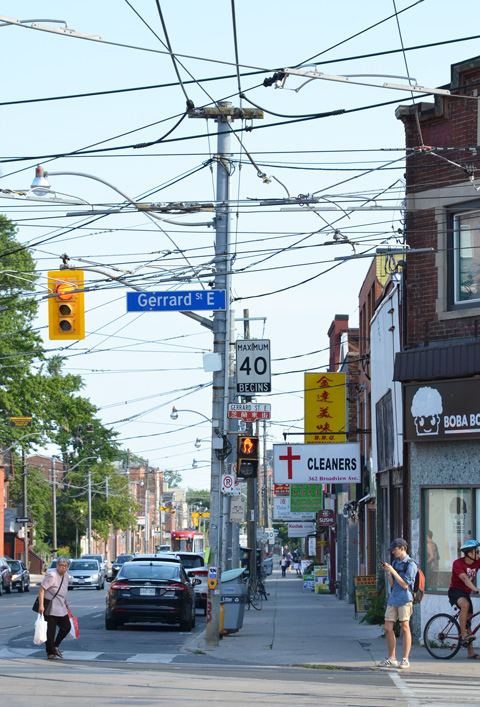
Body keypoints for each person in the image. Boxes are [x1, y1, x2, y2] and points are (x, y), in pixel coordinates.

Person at [378, 538, 417, 669]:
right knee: (387, 627)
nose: (393, 552)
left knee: (405, 627)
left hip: (405, 599)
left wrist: (393, 571)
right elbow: (393, 584)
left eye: (395, 549)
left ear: (402, 548)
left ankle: (405, 659)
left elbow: (405, 585)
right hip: (393, 598)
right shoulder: (395, 563)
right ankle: (392, 657)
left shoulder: (411, 565)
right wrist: (389, 572)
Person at [448, 538, 480, 659]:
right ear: (469, 553)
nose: (478, 554)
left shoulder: (477, 562)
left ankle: (471, 653)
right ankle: (463, 634)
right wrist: (476, 589)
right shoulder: (458, 563)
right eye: (476, 551)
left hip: (466, 593)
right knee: (465, 605)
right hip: (455, 591)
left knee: (469, 623)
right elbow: (465, 578)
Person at [37, 556, 71, 660]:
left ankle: (55, 646)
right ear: (57, 565)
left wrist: (65, 601)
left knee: (66, 627)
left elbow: (62, 591)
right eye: (61, 566)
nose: (63, 568)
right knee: (50, 631)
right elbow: (42, 589)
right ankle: (50, 653)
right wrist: (41, 605)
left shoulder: (66, 576)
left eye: (65, 566)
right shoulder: (52, 575)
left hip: (61, 606)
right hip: (50, 607)